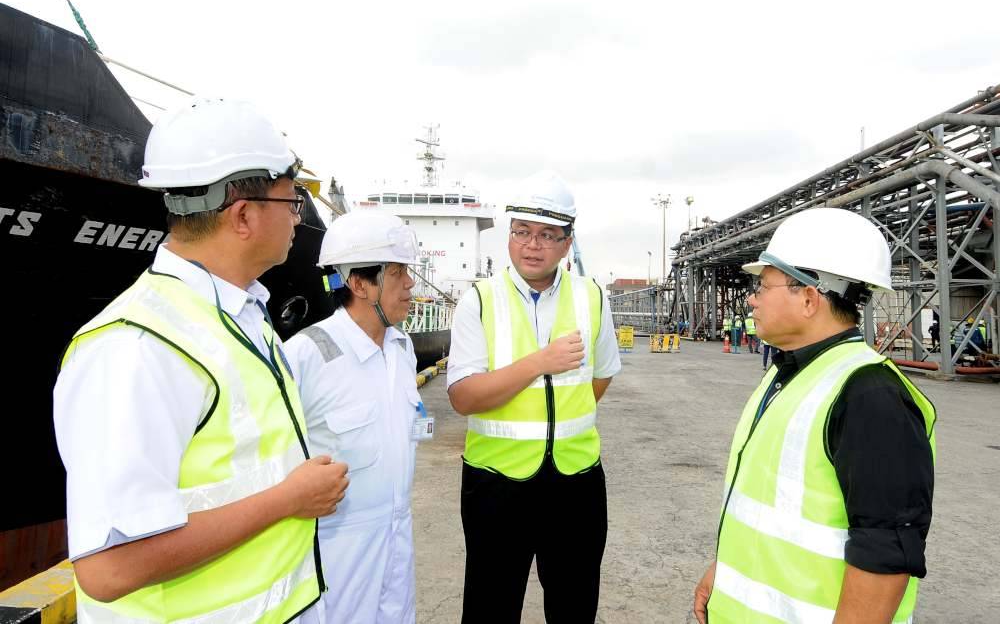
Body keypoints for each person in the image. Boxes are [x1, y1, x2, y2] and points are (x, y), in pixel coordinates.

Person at [54, 98, 349, 623]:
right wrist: (289, 499)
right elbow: (108, 569)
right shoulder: (135, 348)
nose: (298, 218)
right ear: (243, 215)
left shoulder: (242, 314)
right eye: (291, 201)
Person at [693, 207, 936, 624]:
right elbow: (773, 510)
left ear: (808, 298)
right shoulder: (791, 372)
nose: (752, 298)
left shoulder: (870, 396)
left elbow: (884, 553)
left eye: (763, 285)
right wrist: (724, 572)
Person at [447, 171, 621, 623]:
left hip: (577, 483)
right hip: (496, 483)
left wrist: (561, 424)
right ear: (509, 236)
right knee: (489, 606)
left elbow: (599, 379)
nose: (532, 245)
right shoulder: (479, 302)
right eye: (522, 231)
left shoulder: (593, 298)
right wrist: (538, 364)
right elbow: (463, 398)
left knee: (574, 606)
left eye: (547, 235)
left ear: (567, 243)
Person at [286, 210, 425, 624]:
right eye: (398, 272)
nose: (410, 283)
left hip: (397, 537)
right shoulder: (306, 354)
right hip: (336, 548)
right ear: (359, 283)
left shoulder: (402, 349)